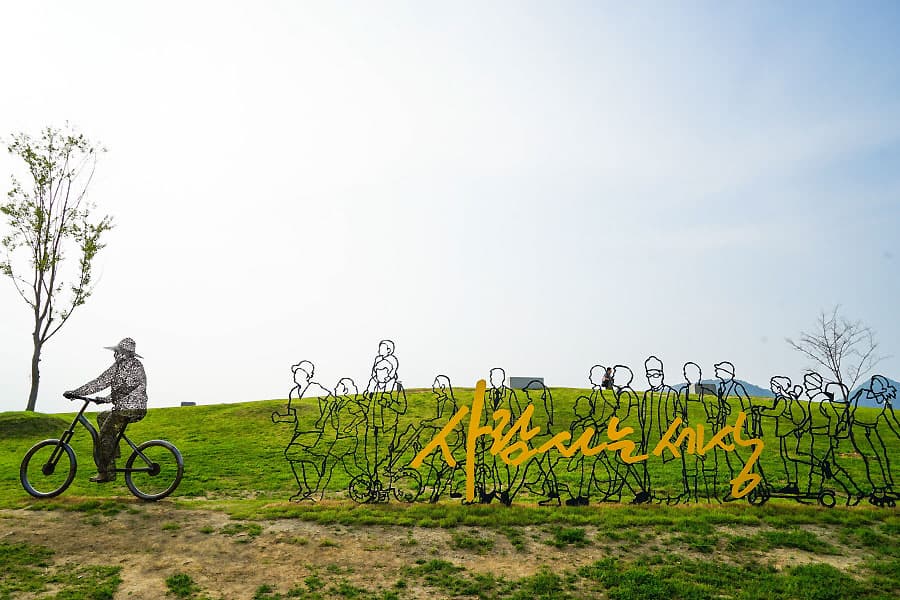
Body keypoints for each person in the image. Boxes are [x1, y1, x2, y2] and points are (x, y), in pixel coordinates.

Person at [64, 338, 148, 483]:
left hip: (129, 409)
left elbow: (124, 388)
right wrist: (81, 393)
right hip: (130, 408)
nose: (115, 355)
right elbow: (101, 382)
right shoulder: (121, 366)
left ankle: (106, 473)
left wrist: (79, 393)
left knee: (103, 435)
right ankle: (111, 451)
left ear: (123, 353)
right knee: (102, 417)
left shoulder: (132, 366)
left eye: (117, 352)